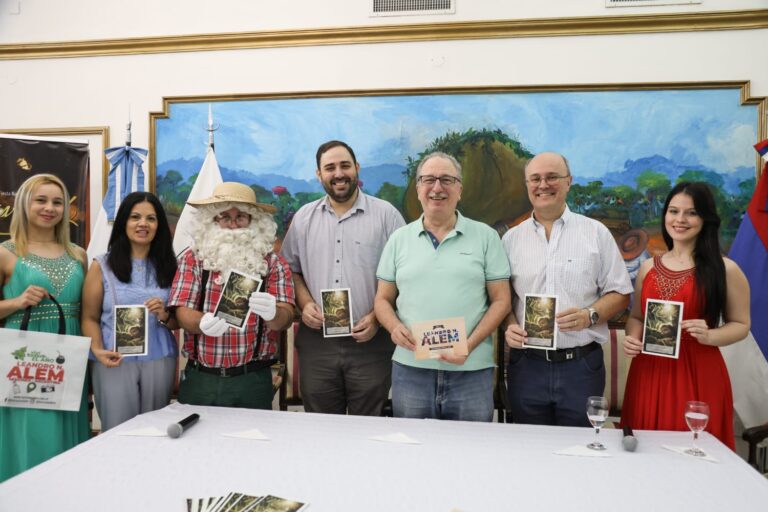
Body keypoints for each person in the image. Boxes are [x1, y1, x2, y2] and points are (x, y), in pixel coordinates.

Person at [375, 152, 511, 421]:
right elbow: (382, 300)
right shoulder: (398, 239)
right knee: (414, 453)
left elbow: (501, 301)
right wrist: (393, 327)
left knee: (471, 453)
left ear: (460, 189)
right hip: (411, 370)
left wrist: (469, 345)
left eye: (446, 180)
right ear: (418, 189)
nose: (437, 188)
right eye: (428, 180)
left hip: (471, 372)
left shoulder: (486, 237)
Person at [502, 152, 632, 426]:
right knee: (529, 449)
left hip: (580, 366)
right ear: (527, 184)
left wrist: (590, 315)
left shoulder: (595, 233)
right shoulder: (511, 239)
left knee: (580, 452)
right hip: (527, 366)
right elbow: (503, 298)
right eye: (535, 178)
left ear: (569, 182)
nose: (543, 185)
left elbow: (621, 293)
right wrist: (509, 324)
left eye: (552, 177)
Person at [621, 182, 750, 448]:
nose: (680, 220)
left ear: (705, 218)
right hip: (648, 371)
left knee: (694, 453)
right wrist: (633, 338)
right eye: (673, 211)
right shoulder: (647, 268)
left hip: (697, 371)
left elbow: (741, 325)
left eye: (691, 213)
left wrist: (710, 334)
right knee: (643, 454)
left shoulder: (726, 269)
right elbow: (636, 318)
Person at [281, 140, 405, 415]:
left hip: (371, 342)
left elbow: (405, 277)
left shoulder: (387, 216)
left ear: (357, 168)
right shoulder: (303, 218)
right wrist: (305, 303)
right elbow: (292, 269)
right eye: (330, 167)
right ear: (319, 174)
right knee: (321, 428)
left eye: (345, 165)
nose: (338, 173)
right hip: (317, 343)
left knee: (367, 425)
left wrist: (376, 317)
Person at [168, 182, 295, 409]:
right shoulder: (193, 258)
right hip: (201, 378)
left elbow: (285, 318)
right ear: (212, 221)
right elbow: (181, 311)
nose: (234, 225)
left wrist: (274, 313)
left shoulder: (274, 264)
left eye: (241, 217)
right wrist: (201, 322)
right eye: (225, 217)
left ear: (254, 221)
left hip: (252, 380)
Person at [0, 174, 90, 482]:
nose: (49, 208)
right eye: (41, 200)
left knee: (68, 440)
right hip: (25, 360)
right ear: (24, 203)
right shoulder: (6, 252)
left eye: (57, 201)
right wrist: (16, 303)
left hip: (69, 358)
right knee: (34, 436)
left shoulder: (78, 254)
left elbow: (89, 312)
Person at [81, 192, 179, 431]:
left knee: (155, 430)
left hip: (160, 358)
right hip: (113, 358)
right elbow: (89, 317)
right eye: (135, 217)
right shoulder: (101, 265)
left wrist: (164, 314)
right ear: (124, 221)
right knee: (117, 429)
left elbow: (177, 320)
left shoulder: (171, 267)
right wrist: (97, 350)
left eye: (151, 218)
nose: (143, 224)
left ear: (159, 226)